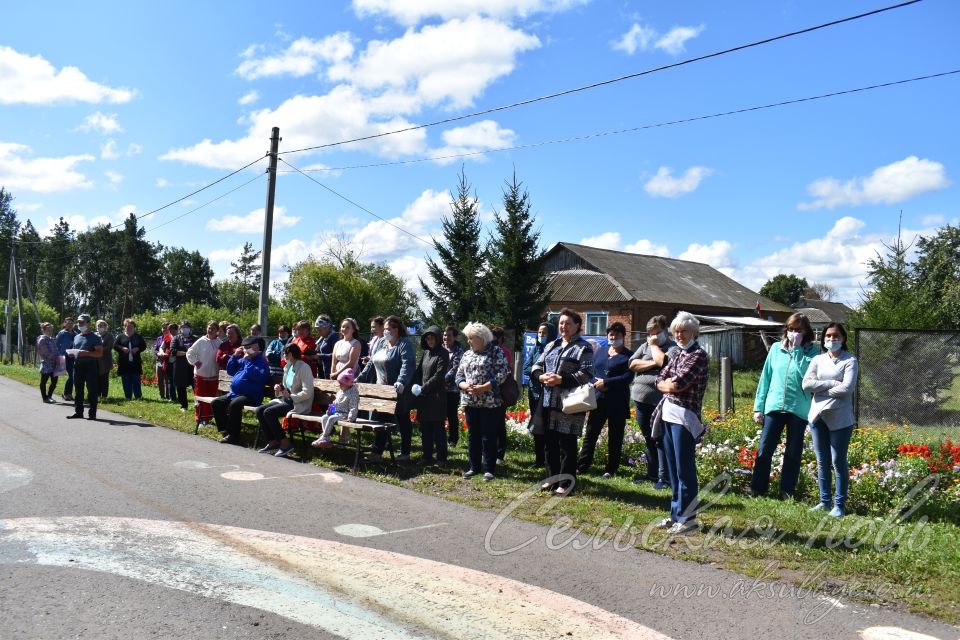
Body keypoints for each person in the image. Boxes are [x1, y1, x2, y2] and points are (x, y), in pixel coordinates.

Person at [750, 312, 818, 499]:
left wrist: (797, 350)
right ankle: (758, 488)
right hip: (774, 406)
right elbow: (766, 378)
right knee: (765, 449)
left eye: (799, 330)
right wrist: (759, 406)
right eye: (791, 329)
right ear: (786, 330)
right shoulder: (775, 349)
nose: (794, 333)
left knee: (793, 452)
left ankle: (787, 491)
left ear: (806, 332)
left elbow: (806, 377)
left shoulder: (812, 352)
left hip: (798, 408)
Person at [654, 311, 710, 535]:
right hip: (668, 414)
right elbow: (661, 379)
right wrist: (668, 384)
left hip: (685, 419)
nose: (679, 335)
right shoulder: (676, 353)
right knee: (673, 467)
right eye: (676, 331)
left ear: (693, 332)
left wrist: (668, 385)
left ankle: (688, 519)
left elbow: (680, 384)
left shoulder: (698, 355)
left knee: (684, 468)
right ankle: (675, 514)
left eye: (683, 331)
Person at [531, 309, 594, 496]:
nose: (563, 327)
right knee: (549, 443)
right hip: (549, 400)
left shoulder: (584, 347)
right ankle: (551, 479)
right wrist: (542, 377)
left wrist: (561, 379)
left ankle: (566, 483)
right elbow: (536, 366)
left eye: (568, 323)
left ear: (577, 326)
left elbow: (587, 373)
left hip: (570, 403)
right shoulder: (552, 345)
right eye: (561, 323)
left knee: (567, 445)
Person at [802, 322, 859, 517]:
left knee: (838, 461)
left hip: (840, 418)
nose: (831, 339)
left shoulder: (850, 360)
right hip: (817, 417)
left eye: (835, 336)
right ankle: (824, 501)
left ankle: (839, 505)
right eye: (828, 336)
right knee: (822, 461)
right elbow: (806, 384)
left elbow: (847, 389)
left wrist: (822, 390)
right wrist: (831, 383)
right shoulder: (817, 359)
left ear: (843, 338)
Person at [577, 322, 632, 478]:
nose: (613, 337)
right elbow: (592, 371)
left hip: (617, 401)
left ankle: (611, 469)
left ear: (623, 336)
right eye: (611, 335)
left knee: (615, 436)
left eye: (617, 335)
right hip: (599, 399)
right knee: (591, 433)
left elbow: (628, 377)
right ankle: (582, 465)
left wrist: (607, 383)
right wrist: (597, 382)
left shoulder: (629, 356)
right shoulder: (600, 352)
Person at [455, 322, 509, 481]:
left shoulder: (495, 351)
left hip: (490, 402)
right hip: (471, 401)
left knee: (489, 435)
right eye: (468, 338)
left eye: (472, 338)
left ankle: (489, 468)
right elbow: (458, 376)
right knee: (473, 435)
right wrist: (464, 385)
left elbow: (503, 372)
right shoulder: (467, 354)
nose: (469, 341)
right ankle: (473, 467)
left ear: (482, 338)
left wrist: (485, 387)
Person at [357, 315, 415, 461]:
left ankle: (405, 452)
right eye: (384, 329)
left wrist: (401, 381)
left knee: (403, 420)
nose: (385, 332)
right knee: (381, 420)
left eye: (388, 329)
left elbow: (407, 364)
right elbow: (372, 362)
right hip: (381, 389)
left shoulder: (404, 343)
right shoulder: (383, 342)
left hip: (398, 390)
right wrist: (360, 378)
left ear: (397, 329)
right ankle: (377, 452)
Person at [629, 315, 677, 489]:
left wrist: (655, 348)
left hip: (659, 401)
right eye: (650, 333)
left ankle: (664, 479)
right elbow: (632, 364)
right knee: (649, 439)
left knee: (661, 439)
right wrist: (652, 363)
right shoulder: (644, 345)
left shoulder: (673, 348)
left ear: (665, 331)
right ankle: (652, 475)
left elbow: (663, 362)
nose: (653, 337)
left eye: (656, 333)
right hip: (640, 399)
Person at [258, 343, 315, 457]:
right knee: (259, 410)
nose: (283, 355)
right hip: (287, 400)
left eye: (285, 353)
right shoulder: (288, 367)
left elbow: (307, 392)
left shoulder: (304, 367)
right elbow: (286, 387)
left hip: (299, 403)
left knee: (269, 412)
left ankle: (285, 443)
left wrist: (291, 395)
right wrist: (279, 388)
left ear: (291, 354)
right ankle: (273, 442)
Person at [213, 335, 270, 446]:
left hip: (252, 396)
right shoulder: (244, 359)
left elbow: (259, 377)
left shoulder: (261, 361)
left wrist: (248, 361)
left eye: (249, 346)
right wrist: (234, 356)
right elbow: (230, 370)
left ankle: (234, 435)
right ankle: (225, 430)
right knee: (216, 402)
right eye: (245, 347)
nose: (246, 349)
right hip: (235, 393)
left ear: (257, 348)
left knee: (235, 404)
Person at [412, 326, 450, 467]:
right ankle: (426, 456)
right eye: (427, 338)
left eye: (432, 337)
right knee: (425, 429)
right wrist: (414, 385)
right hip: (424, 397)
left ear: (438, 338)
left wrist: (423, 388)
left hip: (436, 397)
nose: (430, 340)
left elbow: (439, 375)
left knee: (438, 429)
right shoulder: (426, 353)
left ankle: (442, 459)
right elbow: (419, 372)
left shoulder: (443, 353)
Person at [523, 321, 556, 468]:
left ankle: (550, 459)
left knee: (549, 428)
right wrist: (540, 374)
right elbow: (526, 368)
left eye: (544, 333)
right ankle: (539, 460)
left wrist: (538, 370)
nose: (541, 335)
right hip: (534, 392)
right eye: (539, 332)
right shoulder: (536, 349)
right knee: (537, 427)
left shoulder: (555, 348)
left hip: (549, 393)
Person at [310, 368, 360, 449]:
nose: (339, 385)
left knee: (331, 418)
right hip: (337, 413)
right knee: (324, 417)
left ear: (347, 384)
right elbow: (335, 402)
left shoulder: (353, 394)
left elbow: (353, 407)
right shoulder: (340, 391)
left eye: (341, 383)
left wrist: (351, 418)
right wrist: (330, 411)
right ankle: (327, 438)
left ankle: (324, 437)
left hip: (345, 415)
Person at [66, 314, 103, 420]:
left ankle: (92, 414)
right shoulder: (77, 337)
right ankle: (78, 412)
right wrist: (71, 353)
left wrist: (86, 353)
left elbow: (99, 353)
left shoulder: (95, 338)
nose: (79, 324)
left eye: (82, 322)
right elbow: (74, 349)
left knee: (92, 390)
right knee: (78, 390)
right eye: (78, 322)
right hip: (78, 366)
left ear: (88, 323)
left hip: (90, 366)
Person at [187, 321, 222, 426]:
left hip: (213, 376)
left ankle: (208, 419)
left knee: (211, 398)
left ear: (217, 331)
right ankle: (199, 419)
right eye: (209, 328)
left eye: (213, 328)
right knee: (200, 397)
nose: (210, 330)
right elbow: (190, 352)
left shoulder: (219, 343)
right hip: (200, 375)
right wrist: (196, 362)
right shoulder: (201, 341)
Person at [489, 326, 513, 465]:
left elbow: (507, 370)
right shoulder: (487, 350)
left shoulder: (505, 352)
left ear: (499, 338)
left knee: (499, 424)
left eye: (493, 337)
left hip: (501, 392)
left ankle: (500, 454)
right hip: (488, 392)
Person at [442, 326, 465, 448]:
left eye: (449, 335)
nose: (446, 338)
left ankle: (453, 439)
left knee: (451, 415)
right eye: (445, 335)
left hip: (452, 389)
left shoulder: (458, 351)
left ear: (455, 337)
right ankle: (440, 437)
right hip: (439, 389)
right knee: (439, 414)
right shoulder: (440, 349)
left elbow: (455, 369)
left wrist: (442, 379)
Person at [114, 319, 147, 400]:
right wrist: (122, 348)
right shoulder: (120, 336)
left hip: (135, 363)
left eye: (131, 326)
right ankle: (128, 396)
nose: (129, 328)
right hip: (124, 363)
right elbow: (115, 345)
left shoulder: (138, 336)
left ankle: (138, 396)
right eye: (127, 326)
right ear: (124, 327)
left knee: (136, 380)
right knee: (126, 380)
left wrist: (138, 348)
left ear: (134, 327)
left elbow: (144, 346)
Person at [169, 320, 195, 411]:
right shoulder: (176, 338)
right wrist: (187, 353)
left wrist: (184, 353)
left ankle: (198, 405)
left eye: (186, 327)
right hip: (180, 367)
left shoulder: (195, 339)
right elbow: (173, 351)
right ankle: (184, 405)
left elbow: (198, 351)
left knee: (196, 386)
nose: (184, 329)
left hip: (193, 367)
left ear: (190, 328)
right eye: (182, 327)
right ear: (180, 329)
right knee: (180, 387)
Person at [36, 322, 59, 403]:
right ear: (43, 330)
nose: (50, 331)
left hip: (55, 364)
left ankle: (49, 396)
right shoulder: (42, 339)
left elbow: (56, 350)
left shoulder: (52, 339)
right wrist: (54, 358)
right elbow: (44, 352)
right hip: (46, 364)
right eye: (48, 329)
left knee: (54, 382)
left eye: (51, 329)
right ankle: (45, 398)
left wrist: (59, 357)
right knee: (44, 382)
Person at [56, 317, 76, 402]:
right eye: (68, 323)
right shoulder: (62, 333)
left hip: (72, 357)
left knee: (73, 376)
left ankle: (69, 394)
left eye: (71, 323)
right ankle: (65, 393)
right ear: (65, 324)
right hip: (63, 356)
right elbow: (56, 345)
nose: (70, 324)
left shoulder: (76, 334)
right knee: (70, 376)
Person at [314, 314, 341, 380]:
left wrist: (319, 356)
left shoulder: (335, 337)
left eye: (320, 330)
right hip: (323, 372)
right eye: (317, 330)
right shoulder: (322, 338)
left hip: (332, 373)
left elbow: (337, 356)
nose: (318, 332)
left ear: (327, 328)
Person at [95, 320, 115, 399]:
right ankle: (97, 394)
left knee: (104, 379)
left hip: (105, 361)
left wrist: (98, 349)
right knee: (96, 379)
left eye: (102, 325)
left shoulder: (109, 336)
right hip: (96, 361)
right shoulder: (94, 335)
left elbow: (109, 347)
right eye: (99, 325)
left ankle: (104, 396)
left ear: (106, 327)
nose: (100, 327)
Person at [154, 322, 171, 400]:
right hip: (159, 361)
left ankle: (168, 396)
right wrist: (158, 354)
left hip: (168, 361)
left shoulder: (172, 338)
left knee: (168, 380)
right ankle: (162, 396)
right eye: (163, 328)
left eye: (166, 328)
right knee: (160, 380)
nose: (165, 329)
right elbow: (155, 350)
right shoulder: (159, 338)